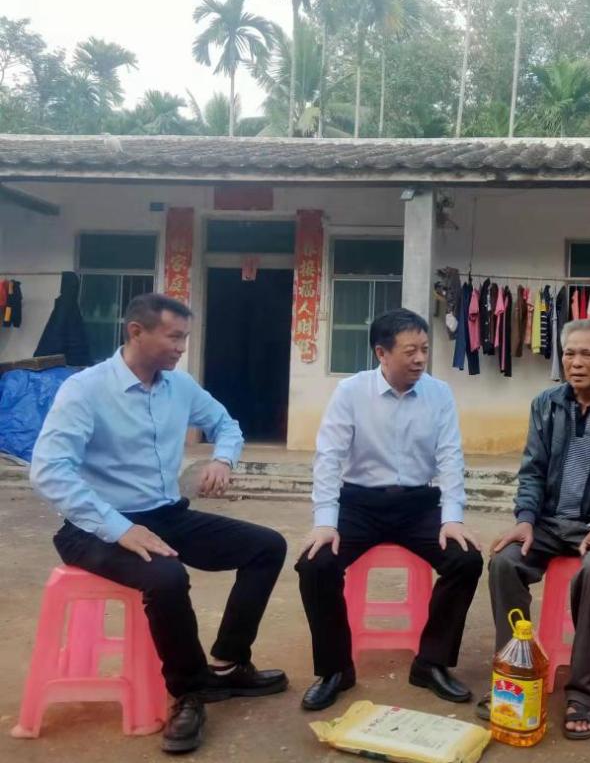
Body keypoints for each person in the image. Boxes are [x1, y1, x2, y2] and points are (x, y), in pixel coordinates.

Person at [30, 293, 288, 755]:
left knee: (267, 546)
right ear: (136, 332)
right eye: (173, 337)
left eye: (185, 337)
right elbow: (49, 470)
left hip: (166, 515)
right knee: (167, 576)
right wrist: (119, 528)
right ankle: (189, 692)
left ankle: (229, 664)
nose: (181, 348)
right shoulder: (86, 390)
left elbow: (226, 424)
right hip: (93, 527)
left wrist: (223, 459)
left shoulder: (180, 387)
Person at [295, 308, 483, 711]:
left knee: (465, 559)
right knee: (315, 564)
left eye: (424, 350)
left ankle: (431, 663)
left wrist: (452, 517)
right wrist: (325, 521)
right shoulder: (350, 392)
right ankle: (335, 669)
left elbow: (450, 457)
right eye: (410, 351)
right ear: (381, 353)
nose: (420, 359)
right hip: (359, 504)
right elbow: (329, 457)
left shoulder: (438, 394)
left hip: (418, 505)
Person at [483, 318, 590, 740]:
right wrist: (525, 519)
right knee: (504, 562)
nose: (575, 362)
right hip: (548, 523)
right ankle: (516, 673)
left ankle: (583, 694)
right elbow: (533, 471)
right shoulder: (546, 404)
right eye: (569, 353)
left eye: (586, 354)